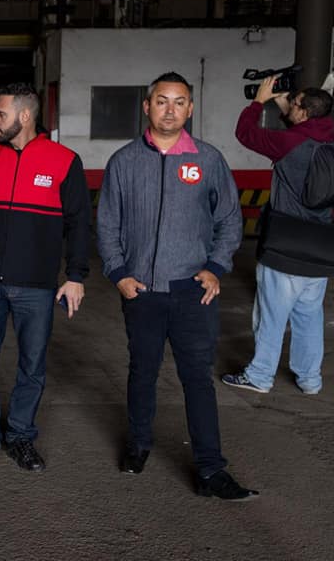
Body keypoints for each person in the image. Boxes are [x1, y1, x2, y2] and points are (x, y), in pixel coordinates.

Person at [97, 71, 257, 500]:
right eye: (162, 101)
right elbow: (108, 222)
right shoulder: (124, 162)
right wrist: (119, 273)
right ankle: (138, 445)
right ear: (147, 107)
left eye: (179, 101)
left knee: (197, 380)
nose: (170, 109)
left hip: (192, 290)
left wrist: (216, 266)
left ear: (190, 108)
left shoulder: (208, 160)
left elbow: (228, 220)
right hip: (142, 291)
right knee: (142, 373)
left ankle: (210, 469)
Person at [0, 83, 90, 476]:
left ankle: (21, 436)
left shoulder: (64, 161)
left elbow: (79, 224)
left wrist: (75, 275)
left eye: (0, 114)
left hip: (37, 285)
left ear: (24, 116)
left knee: (32, 364)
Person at [222, 80, 334, 395]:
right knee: (309, 317)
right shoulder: (327, 139)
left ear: (302, 112)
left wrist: (258, 102)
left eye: (294, 104)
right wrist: (289, 108)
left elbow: (245, 133)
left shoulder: (288, 143)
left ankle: (260, 375)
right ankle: (310, 379)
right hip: (322, 247)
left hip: (284, 245)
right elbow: (310, 127)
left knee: (271, 314)